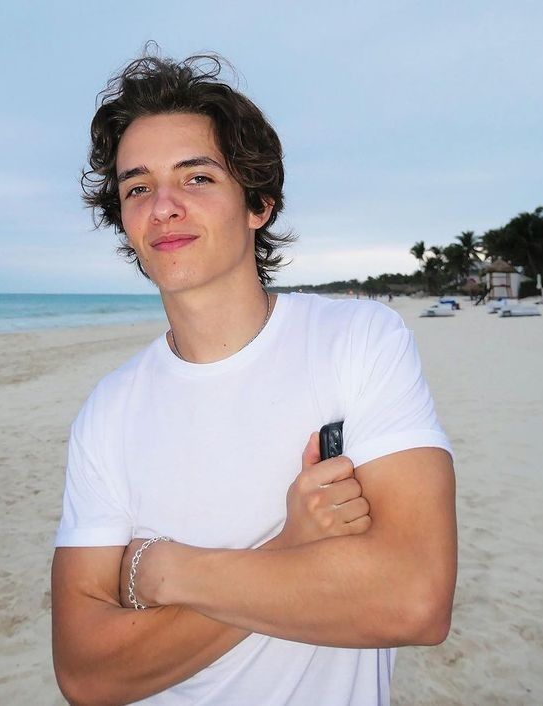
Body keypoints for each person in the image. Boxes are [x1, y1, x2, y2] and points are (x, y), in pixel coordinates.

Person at [51, 53, 457, 706]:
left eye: (197, 178)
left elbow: (413, 601)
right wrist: (292, 546)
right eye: (137, 188)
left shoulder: (356, 341)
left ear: (258, 203)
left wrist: (164, 570)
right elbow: (86, 672)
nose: (163, 208)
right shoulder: (109, 410)